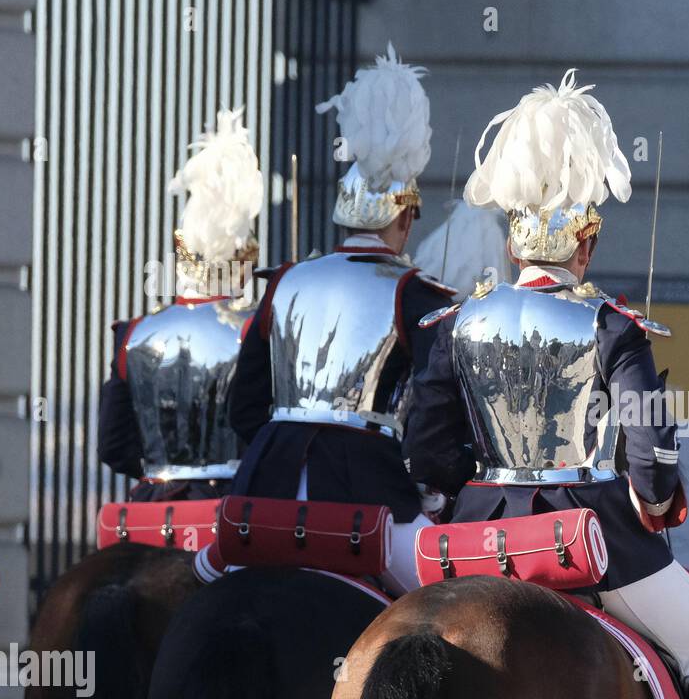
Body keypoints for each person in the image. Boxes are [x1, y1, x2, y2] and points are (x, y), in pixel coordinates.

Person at [408, 70, 689, 699]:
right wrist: (656, 504)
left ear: (514, 235)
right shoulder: (611, 324)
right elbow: (650, 455)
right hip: (590, 536)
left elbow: (426, 445)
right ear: (585, 240)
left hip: (479, 538)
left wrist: (464, 498)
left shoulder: (459, 321)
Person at [218, 44, 453, 594]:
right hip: (366, 495)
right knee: (448, 606)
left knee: (197, 589)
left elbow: (245, 406)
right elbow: (433, 419)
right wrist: (434, 487)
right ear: (404, 213)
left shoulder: (284, 281)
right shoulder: (415, 293)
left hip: (264, 492)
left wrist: (285, 444)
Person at [98, 108, 262, 502]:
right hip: (233, 508)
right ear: (242, 265)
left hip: (153, 503)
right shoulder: (254, 331)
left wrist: (161, 470)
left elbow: (113, 445)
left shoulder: (133, 334)